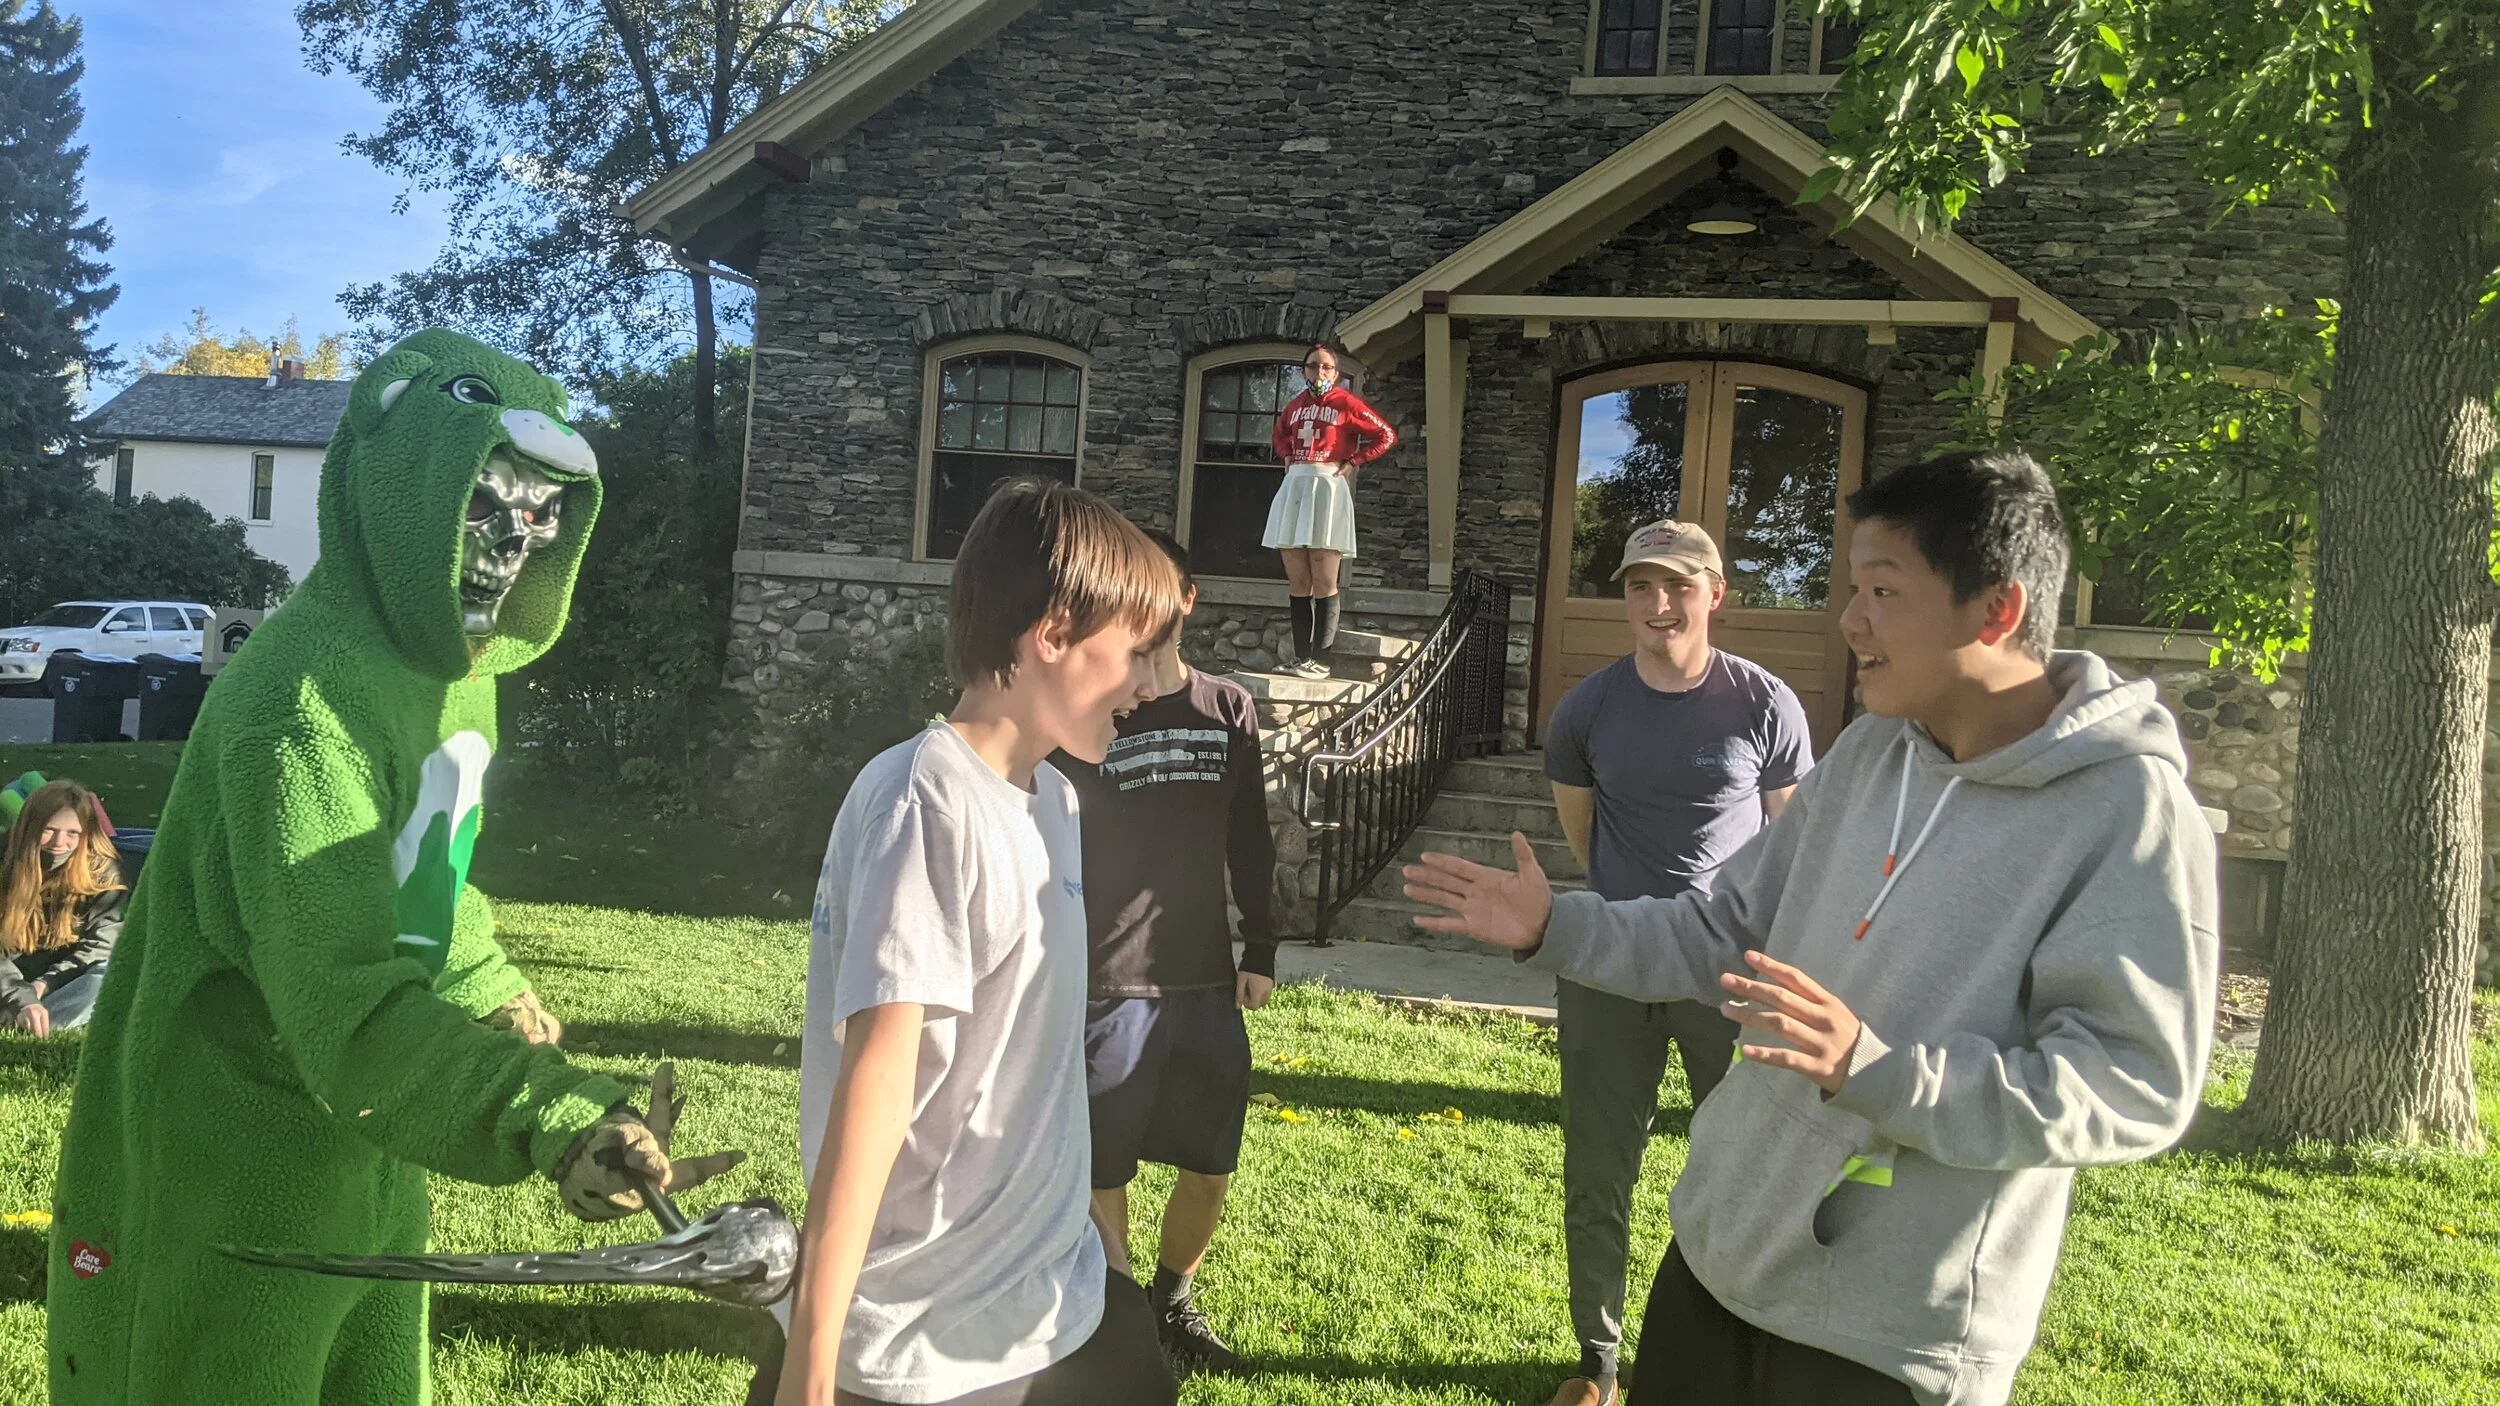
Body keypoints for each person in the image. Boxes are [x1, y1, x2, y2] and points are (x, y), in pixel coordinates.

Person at [1405, 450, 2217, 1406]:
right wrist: (1558, 926)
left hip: (1887, 1336)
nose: (1850, 621)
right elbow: (1728, 932)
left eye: (1883, 591)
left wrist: (1879, 1072)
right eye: (1851, 588)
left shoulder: (2126, 810)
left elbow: (2135, 1083)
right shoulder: (1871, 751)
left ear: (1997, 610)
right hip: (1719, 1259)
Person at [46, 331, 741, 1406]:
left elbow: (424, 877)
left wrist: (487, 981)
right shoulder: (299, 703)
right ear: (403, 486)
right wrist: (553, 1115)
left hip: (370, 1146)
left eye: (539, 515)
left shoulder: (456, 675)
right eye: (482, 504)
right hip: (233, 1169)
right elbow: (347, 998)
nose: (509, 545)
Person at [776, 477, 1186, 1406]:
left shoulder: (1057, 803)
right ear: (1053, 633)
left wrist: (1099, 1241)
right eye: (1136, 652)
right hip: (929, 1335)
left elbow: (1028, 1055)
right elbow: (877, 1082)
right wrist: (811, 1361)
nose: (1152, 684)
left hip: (1061, 1293)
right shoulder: (923, 801)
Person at [1540, 519, 1814, 1406]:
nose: (1659, 604)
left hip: (1727, 977)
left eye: (1678, 586)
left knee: (1745, 1166)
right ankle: (1599, 1362)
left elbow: (1792, 843)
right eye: (1640, 586)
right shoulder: (1587, 709)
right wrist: (1630, 917)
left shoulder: (1765, 703)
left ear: (1715, 593)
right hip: (1609, 968)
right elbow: (1582, 831)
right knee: (1598, 1171)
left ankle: (1743, 1346)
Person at [1058, 528, 1278, 1371]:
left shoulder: (1229, 708)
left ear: (1185, 597)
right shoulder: (1093, 715)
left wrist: (1261, 945)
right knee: (1104, 1168)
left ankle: (1172, 1301)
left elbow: (1250, 838)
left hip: (1205, 981)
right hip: (1107, 982)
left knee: (1209, 1165)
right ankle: (1119, 1318)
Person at [1263, 343, 1397, 679]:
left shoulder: (1345, 403)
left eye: (1326, 367)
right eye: (1312, 366)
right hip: (1295, 485)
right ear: (1304, 371)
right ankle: (1301, 657)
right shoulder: (1295, 406)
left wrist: (1355, 460)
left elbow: (1385, 435)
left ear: (1336, 373)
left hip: (1327, 486)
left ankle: (1321, 661)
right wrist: (1287, 454)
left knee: (1324, 580)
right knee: (1299, 581)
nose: (1319, 372)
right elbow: (1279, 435)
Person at [0, 779, 128, 1038]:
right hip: (8, 982)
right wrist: (21, 996)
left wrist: (45, 984)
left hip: (62, 984)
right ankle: (23, 1018)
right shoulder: (5, 862)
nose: (59, 842)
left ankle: (39, 1025)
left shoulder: (102, 872)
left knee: (111, 974)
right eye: (49, 830)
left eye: (72, 833)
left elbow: (102, 945)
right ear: (30, 827)